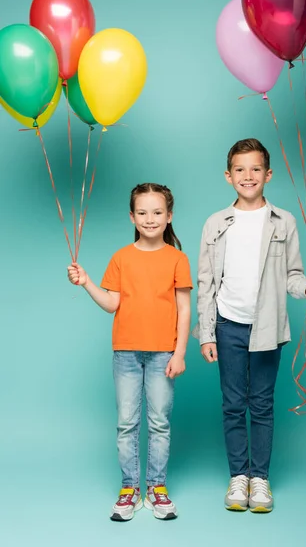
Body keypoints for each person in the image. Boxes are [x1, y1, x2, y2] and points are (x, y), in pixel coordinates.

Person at [193, 139, 306, 513]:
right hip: (227, 325)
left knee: (262, 404)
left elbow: (293, 274)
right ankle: (238, 476)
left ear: (268, 174)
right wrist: (207, 332)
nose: (247, 176)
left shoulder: (283, 221)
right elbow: (205, 282)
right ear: (228, 176)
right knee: (233, 404)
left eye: (255, 169)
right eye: (240, 169)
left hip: (267, 327)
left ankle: (260, 478)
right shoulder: (215, 223)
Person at [67, 183, 192, 522]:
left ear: (169, 217)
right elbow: (112, 303)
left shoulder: (177, 258)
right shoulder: (121, 257)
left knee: (159, 423)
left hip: (163, 354)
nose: (149, 219)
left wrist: (179, 353)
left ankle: (156, 487)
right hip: (125, 354)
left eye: (157, 212)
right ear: (132, 216)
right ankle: (129, 489)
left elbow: (184, 308)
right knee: (126, 424)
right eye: (142, 213)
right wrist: (87, 282)